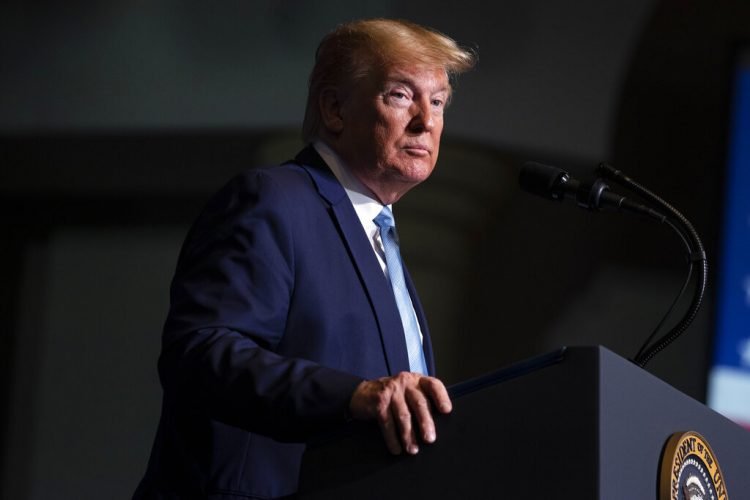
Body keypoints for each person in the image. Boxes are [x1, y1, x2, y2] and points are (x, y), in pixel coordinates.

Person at [134, 18, 476, 499]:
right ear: (335, 109)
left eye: (437, 101)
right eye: (401, 96)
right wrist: (353, 396)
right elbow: (200, 353)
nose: (426, 121)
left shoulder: (381, 237)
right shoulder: (274, 200)